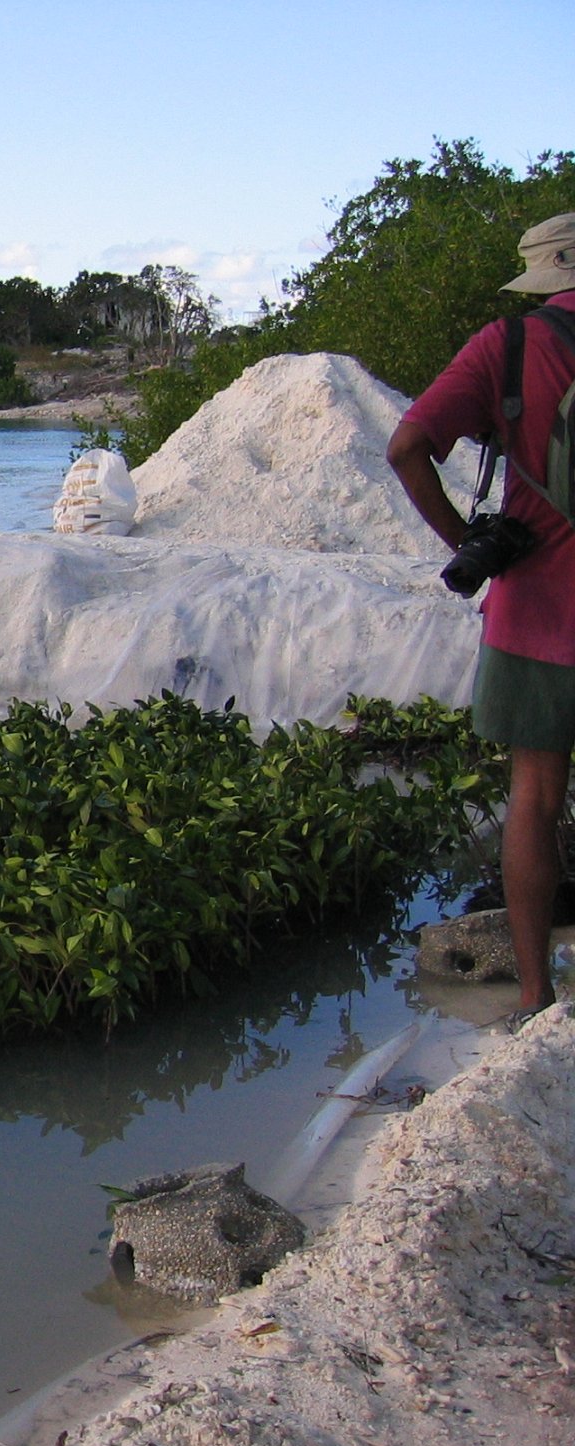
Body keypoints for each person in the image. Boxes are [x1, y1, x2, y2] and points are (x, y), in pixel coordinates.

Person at [387, 211, 575, 1024]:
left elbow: (406, 448)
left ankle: (536, 997)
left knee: (533, 797)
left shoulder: (506, 345)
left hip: (535, 611)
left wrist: (470, 539)